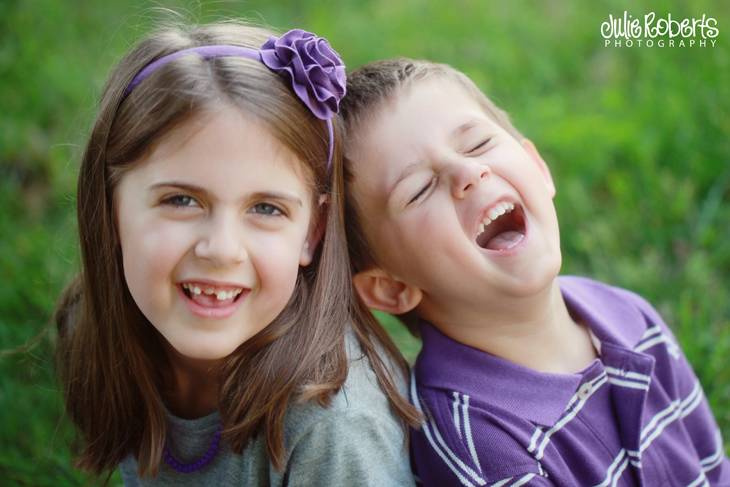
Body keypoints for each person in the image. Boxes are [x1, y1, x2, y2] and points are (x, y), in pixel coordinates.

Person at [54, 23, 420, 486]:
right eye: (181, 200)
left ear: (313, 231)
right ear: (109, 209)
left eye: (266, 208)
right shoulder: (94, 327)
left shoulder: (332, 431)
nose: (222, 249)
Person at [338, 58, 730, 486]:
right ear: (392, 287)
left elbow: (714, 469)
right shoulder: (476, 443)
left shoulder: (630, 318)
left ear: (539, 169)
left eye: (477, 144)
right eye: (419, 190)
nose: (468, 172)